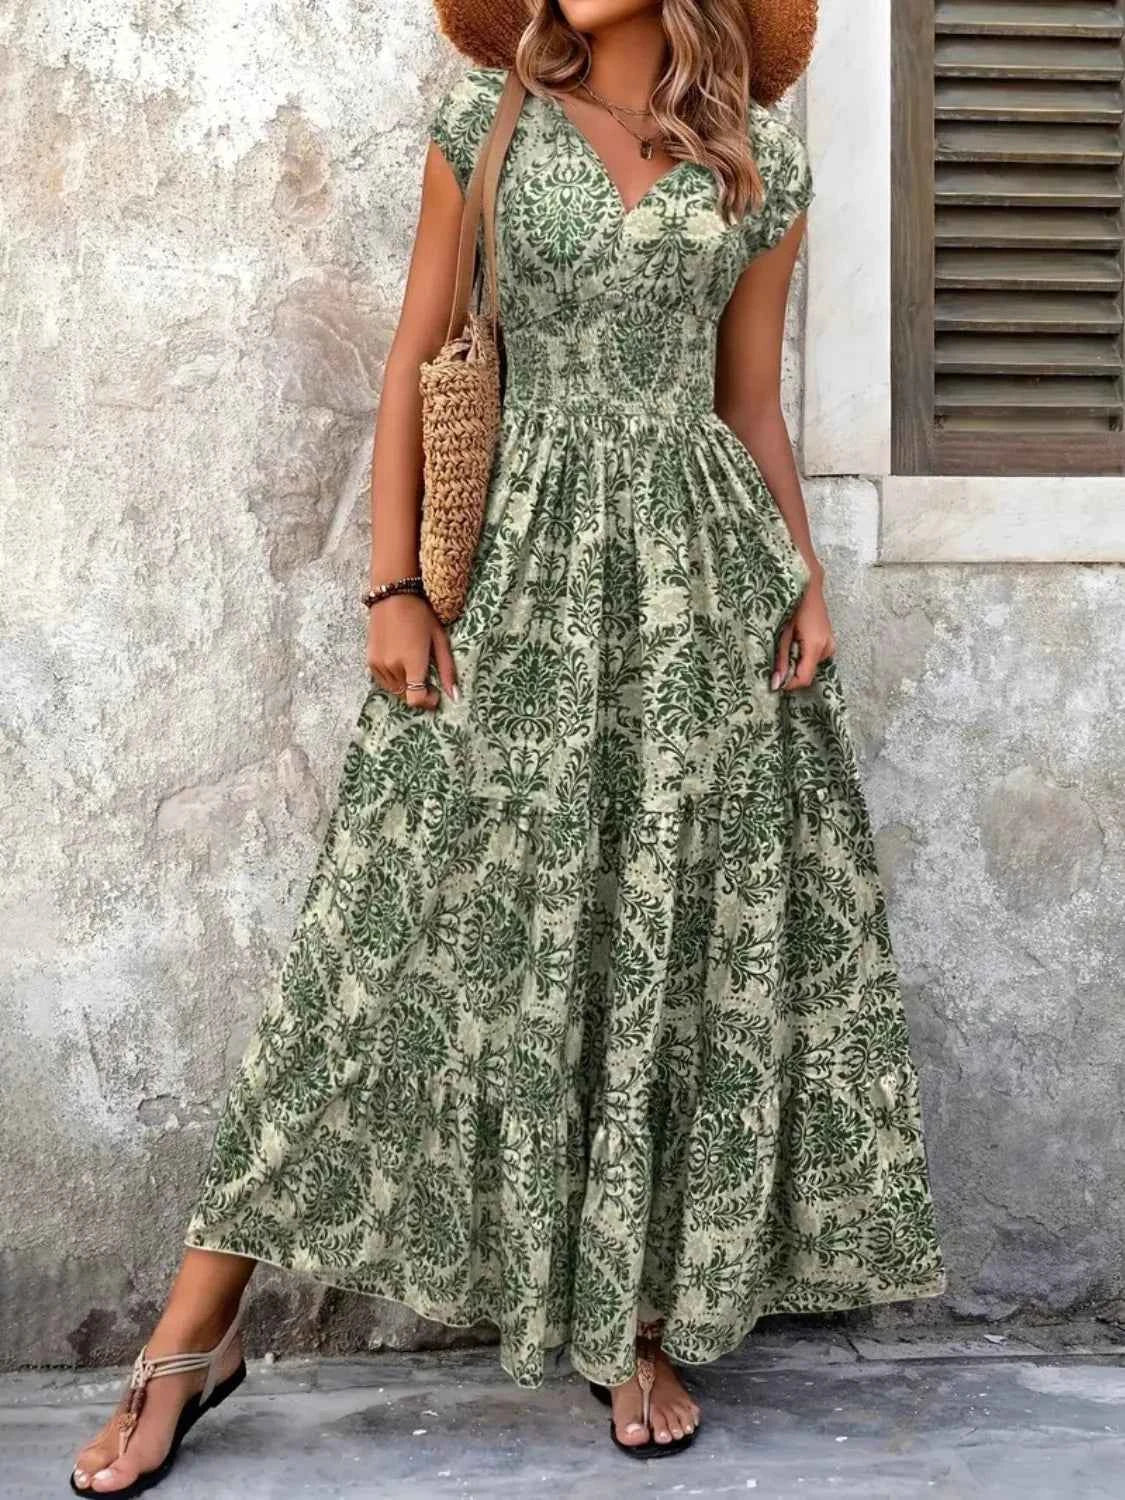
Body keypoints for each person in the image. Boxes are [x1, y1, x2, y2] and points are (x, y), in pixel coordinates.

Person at [68, 0, 947, 1489]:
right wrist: (394, 586)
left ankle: (633, 1317)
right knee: (379, 938)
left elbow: (747, 405)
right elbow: (420, 355)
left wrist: (799, 578)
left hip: (697, 595)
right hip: (512, 571)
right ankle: (191, 1339)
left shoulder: (758, 169)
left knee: (657, 942)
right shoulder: (483, 127)